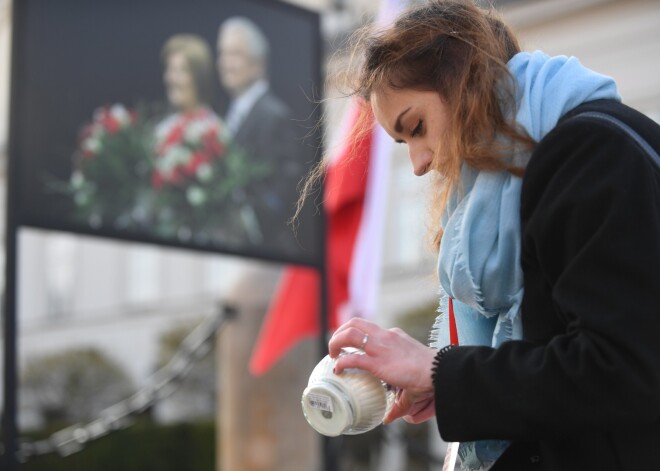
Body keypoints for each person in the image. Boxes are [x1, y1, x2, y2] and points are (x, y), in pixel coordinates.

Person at [315, 1, 660, 470]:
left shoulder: (589, 153)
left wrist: (440, 372)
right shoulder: (552, 160)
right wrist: (446, 380)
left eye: (415, 127)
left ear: (461, 79)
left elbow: (620, 369)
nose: (419, 164)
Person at [216, 16, 303, 254]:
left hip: (267, 250)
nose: (225, 63)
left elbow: (287, 190)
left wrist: (250, 217)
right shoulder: (226, 117)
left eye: (235, 54)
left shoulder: (275, 115)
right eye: (222, 54)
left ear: (258, 64)